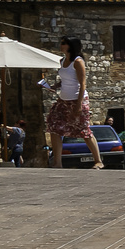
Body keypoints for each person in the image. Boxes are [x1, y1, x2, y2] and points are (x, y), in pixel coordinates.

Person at [46, 37, 102, 169]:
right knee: (54, 128)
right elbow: (65, 80)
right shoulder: (62, 61)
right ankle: (57, 163)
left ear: (71, 46)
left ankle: (98, 161)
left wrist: (79, 104)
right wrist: (55, 86)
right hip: (63, 100)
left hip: (77, 99)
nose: (61, 45)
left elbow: (82, 84)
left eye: (64, 43)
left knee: (84, 130)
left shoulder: (78, 62)